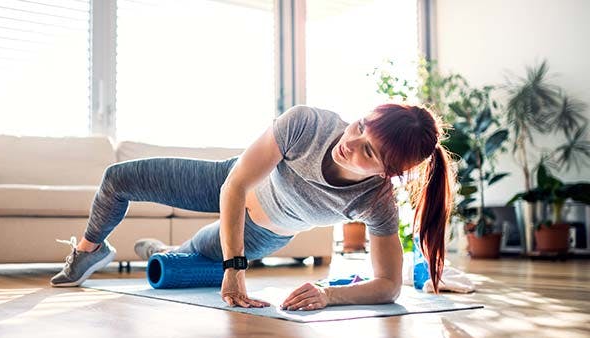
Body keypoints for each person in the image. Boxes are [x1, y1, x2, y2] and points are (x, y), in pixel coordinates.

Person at [49, 104, 454, 311]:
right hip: (226, 183)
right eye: (361, 125)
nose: (352, 141)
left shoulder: (375, 202)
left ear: (386, 173)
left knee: (189, 258)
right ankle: (89, 251)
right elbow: (237, 184)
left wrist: (328, 294)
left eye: (368, 151)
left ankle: (159, 252)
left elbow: (389, 285)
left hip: (264, 233)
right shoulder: (307, 123)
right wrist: (235, 269)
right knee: (119, 177)